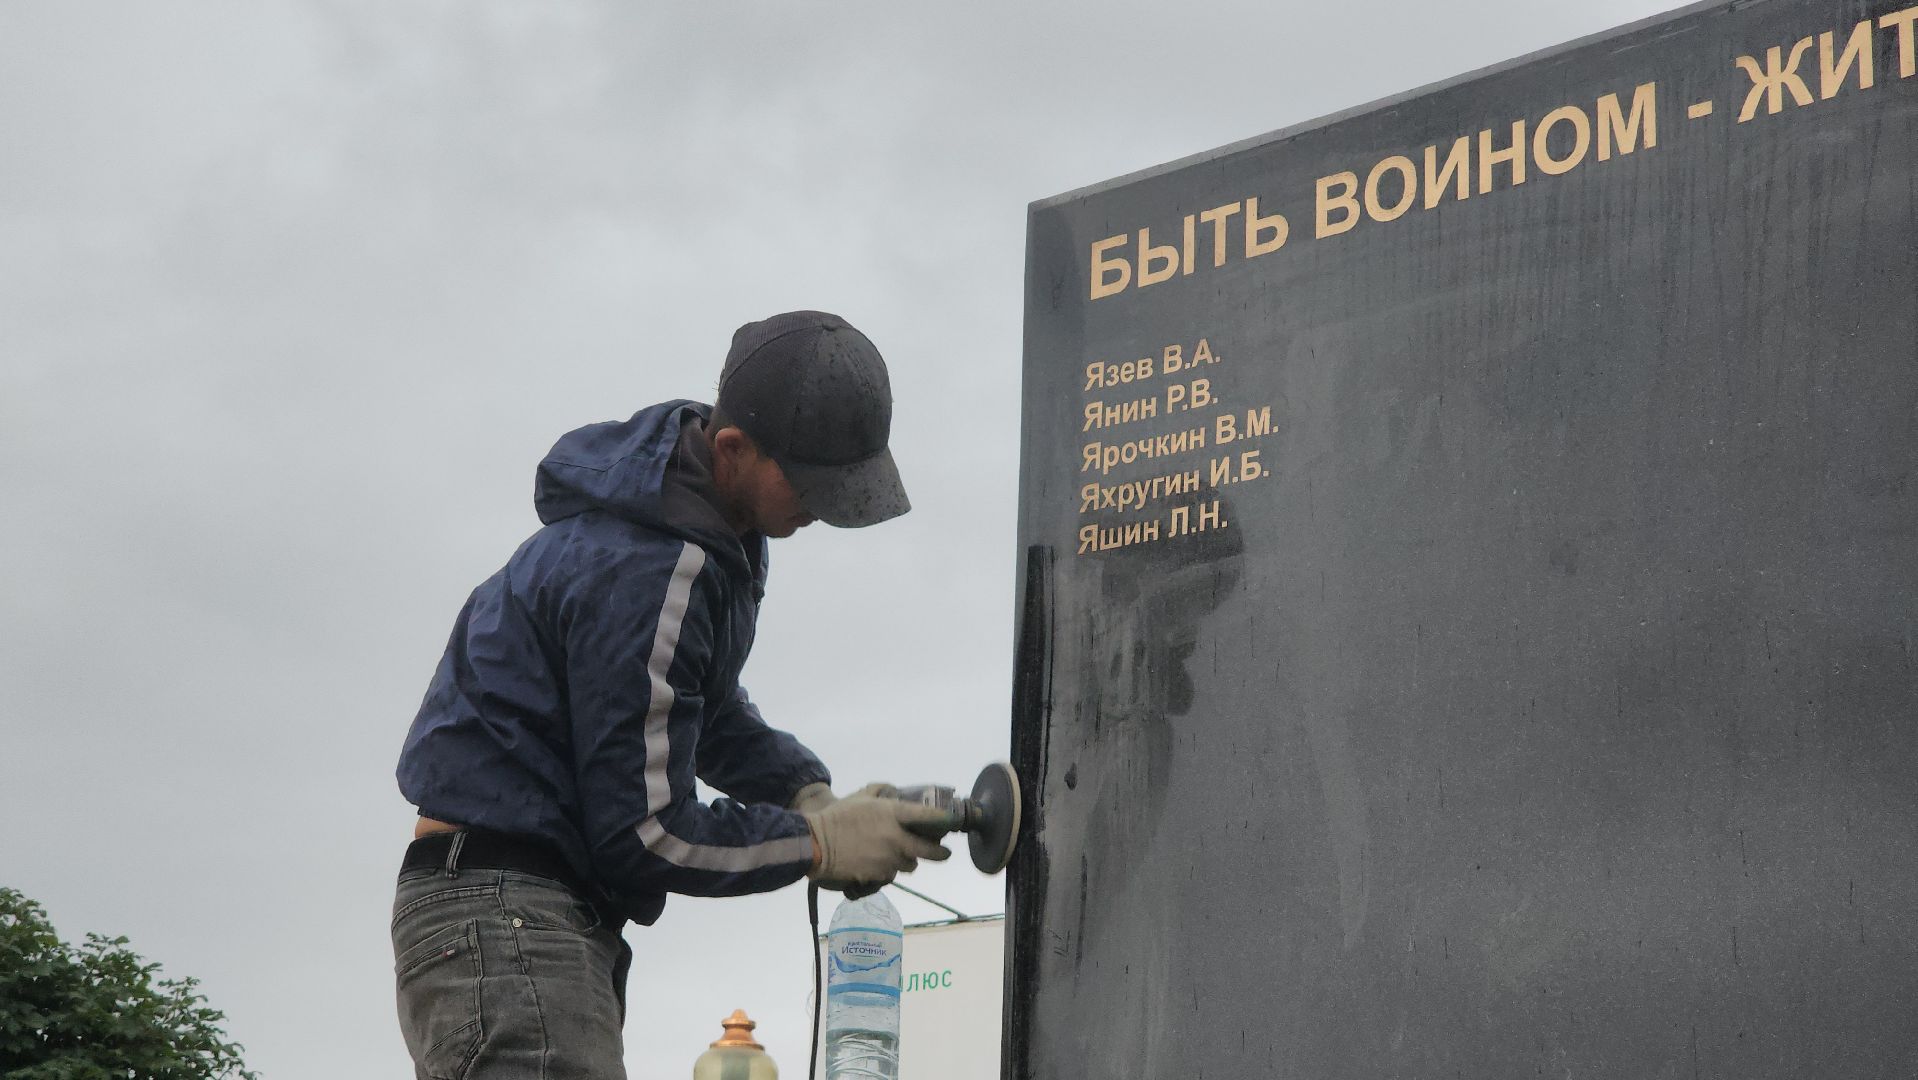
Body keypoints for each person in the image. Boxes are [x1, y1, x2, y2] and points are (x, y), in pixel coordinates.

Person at [390, 310, 952, 1080]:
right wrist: (816, 844)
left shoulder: (694, 536)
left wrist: (808, 793)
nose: (821, 508)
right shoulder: (651, 568)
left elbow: (700, 709)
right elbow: (646, 833)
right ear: (732, 449)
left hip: (505, 912)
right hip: (506, 910)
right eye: (811, 482)